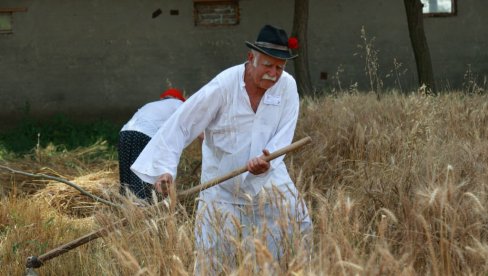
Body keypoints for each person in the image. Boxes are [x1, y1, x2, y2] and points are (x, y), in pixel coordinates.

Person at [131, 25, 312, 271]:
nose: (273, 73)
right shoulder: (223, 87)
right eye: (268, 65)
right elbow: (183, 124)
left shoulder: (287, 86)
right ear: (251, 58)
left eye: (279, 67)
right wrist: (165, 169)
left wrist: (267, 160)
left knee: (296, 230)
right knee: (213, 259)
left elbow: (285, 132)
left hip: (270, 182)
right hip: (221, 188)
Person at [118, 88, 186, 200]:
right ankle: (142, 207)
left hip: (125, 133)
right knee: (142, 175)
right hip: (145, 134)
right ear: (179, 98)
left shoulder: (150, 105)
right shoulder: (179, 104)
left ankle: (125, 206)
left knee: (126, 178)